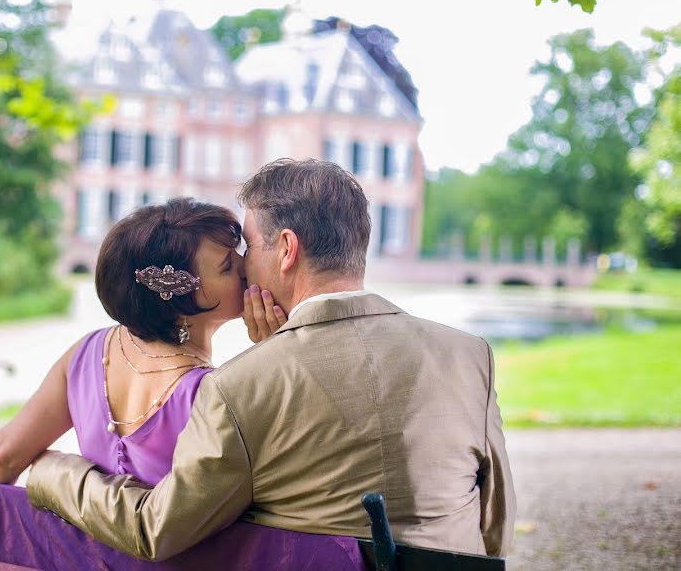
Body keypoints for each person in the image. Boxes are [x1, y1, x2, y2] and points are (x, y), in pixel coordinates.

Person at [26, 158, 517, 561]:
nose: (243, 266)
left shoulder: (238, 386)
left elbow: (158, 529)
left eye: (249, 247)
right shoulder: (469, 355)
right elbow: (494, 520)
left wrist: (51, 472)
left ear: (286, 249)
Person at [0, 196, 363, 568]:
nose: (246, 267)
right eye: (227, 266)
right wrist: (273, 357)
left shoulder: (86, 354)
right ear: (177, 298)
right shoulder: (215, 394)